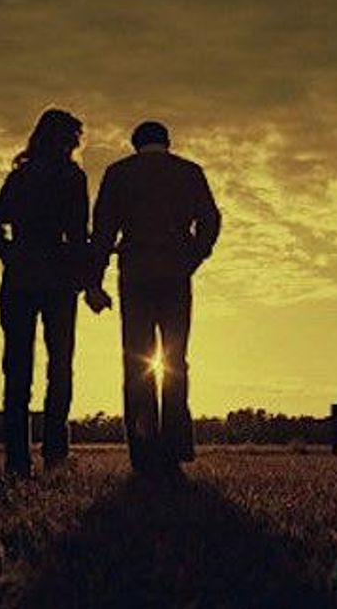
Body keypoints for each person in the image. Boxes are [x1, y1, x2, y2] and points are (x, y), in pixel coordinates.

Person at [86, 120, 221, 475]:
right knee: (175, 361)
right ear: (167, 142)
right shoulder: (189, 172)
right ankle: (175, 449)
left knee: (137, 364)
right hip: (176, 275)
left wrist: (94, 282)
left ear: (135, 144)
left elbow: (103, 230)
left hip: (135, 275)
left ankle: (144, 452)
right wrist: (192, 257)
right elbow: (210, 221)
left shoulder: (119, 174)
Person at [0, 108, 103, 477]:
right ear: (67, 140)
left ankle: (17, 461)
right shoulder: (72, 177)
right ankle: (55, 454)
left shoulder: (20, 176)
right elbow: (78, 234)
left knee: (17, 372)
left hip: (19, 280)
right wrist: (89, 281)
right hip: (58, 280)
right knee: (60, 368)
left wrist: (8, 252)